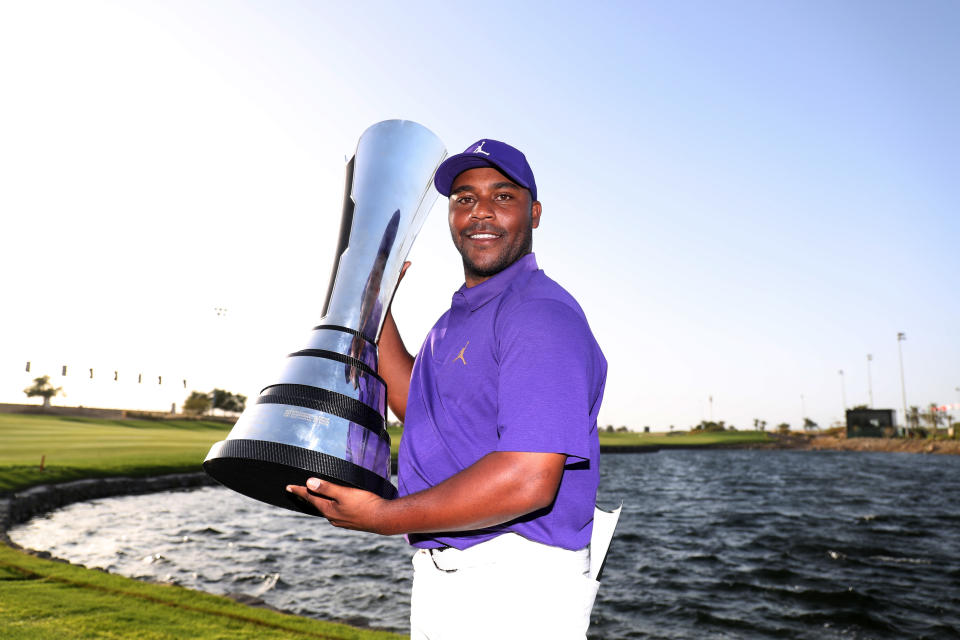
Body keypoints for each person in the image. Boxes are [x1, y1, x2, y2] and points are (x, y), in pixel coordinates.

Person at [287, 138, 607, 639]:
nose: (481, 212)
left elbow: (528, 479)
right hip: (446, 576)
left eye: (503, 197)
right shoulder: (458, 316)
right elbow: (413, 402)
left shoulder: (539, 313)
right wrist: (377, 298)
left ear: (535, 212)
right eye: (464, 198)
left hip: (516, 586)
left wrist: (384, 516)